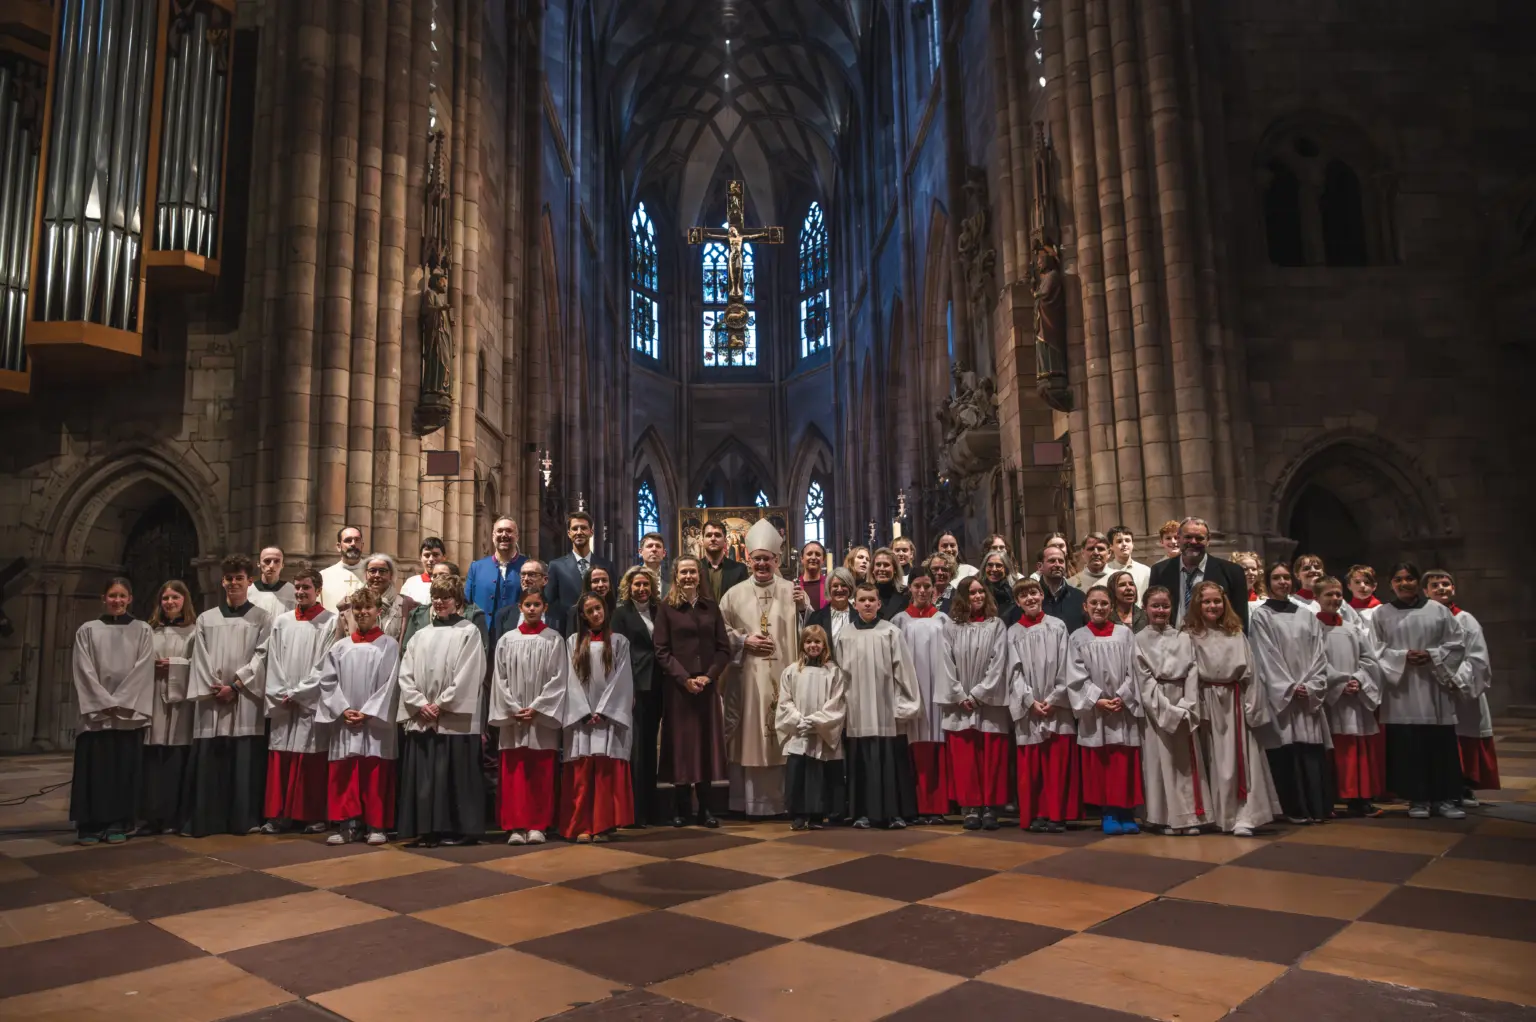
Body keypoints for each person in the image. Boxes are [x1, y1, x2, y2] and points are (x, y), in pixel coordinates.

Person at [239, 566, 335, 835]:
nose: (301, 592)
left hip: (309, 701)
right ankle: (279, 814)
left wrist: (301, 693)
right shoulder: (281, 621)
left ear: (318, 590)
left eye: (306, 587)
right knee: (281, 755)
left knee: (310, 757)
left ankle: (311, 815)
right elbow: (274, 662)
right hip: (283, 700)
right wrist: (282, 692)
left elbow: (325, 663)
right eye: (298, 587)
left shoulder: (330, 621)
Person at [395, 575, 488, 847]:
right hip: (424, 716)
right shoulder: (420, 635)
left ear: (457, 600)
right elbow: (406, 673)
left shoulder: (468, 631)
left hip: (452, 718)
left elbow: (470, 673)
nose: (439, 602)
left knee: (454, 775)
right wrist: (419, 704)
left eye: (446, 597)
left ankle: (456, 829)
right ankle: (426, 829)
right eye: (436, 596)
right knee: (425, 775)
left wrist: (442, 704)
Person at [185, 554, 274, 836]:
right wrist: (215, 686)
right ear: (222, 581)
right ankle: (207, 820)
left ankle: (243, 819)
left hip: (244, 698)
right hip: (213, 698)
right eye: (229, 578)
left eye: (239, 578)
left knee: (244, 761)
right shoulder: (206, 618)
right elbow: (199, 657)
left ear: (250, 581)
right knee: (211, 760)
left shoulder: (262, 618)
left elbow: (263, 654)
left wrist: (236, 685)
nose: (234, 583)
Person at [1185, 581, 1281, 837]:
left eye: (1217, 601)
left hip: (1234, 702)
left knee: (1239, 761)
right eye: (1206, 601)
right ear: (1197, 603)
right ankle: (1212, 815)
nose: (1212, 606)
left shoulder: (1236, 632)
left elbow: (1251, 672)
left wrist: (1252, 707)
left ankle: (1243, 816)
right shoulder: (1189, 634)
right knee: (1211, 759)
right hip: (1205, 700)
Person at [1373, 563, 1467, 820]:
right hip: (1402, 692)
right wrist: (1402, 657)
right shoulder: (1382, 613)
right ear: (1391, 583)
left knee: (1440, 745)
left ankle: (1445, 799)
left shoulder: (1437, 610)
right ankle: (1417, 800)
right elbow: (1374, 650)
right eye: (1398, 579)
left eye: (1409, 578)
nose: (1404, 583)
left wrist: (1432, 655)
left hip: (1433, 688)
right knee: (1408, 747)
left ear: (1417, 582)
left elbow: (1457, 644)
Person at [718, 519, 799, 817]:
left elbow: (810, 633)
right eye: (757, 559)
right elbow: (719, 633)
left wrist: (804, 612)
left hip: (784, 678)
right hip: (748, 680)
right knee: (749, 738)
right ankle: (747, 803)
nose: (762, 564)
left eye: (768, 559)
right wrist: (743, 640)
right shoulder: (733, 595)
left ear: (777, 560)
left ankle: (785, 801)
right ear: (748, 560)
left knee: (784, 735)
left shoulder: (793, 592)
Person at [70, 578, 155, 844]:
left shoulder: (142, 630)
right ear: (103, 598)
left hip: (127, 714)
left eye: (122, 596)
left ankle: (119, 822)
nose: (117, 601)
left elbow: (144, 668)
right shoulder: (87, 630)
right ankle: (90, 824)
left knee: (122, 769)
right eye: (112, 596)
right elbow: (82, 669)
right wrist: (104, 701)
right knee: (94, 769)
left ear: (130, 598)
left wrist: (122, 700)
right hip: (97, 714)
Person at [312, 587, 399, 845]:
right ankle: (346, 826)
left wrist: (369, 712)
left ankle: (376, 825)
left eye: (367, 608)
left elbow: (391, 684)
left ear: (378, 612)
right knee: (345, 772)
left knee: (375, 772)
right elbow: (327, 682)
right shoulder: (340, 647)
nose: (362, 613)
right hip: (346, 720)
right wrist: (342, 708)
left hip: (375, 723)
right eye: (357, 609)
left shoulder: (388, 645)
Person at [1250, 562, 1331, 825]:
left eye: (1286, 578)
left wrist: (1310, 685)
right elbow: (1265, 655)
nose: (1283, 582)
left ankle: (1317, 807)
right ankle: (1295, 808)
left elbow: (1320, 653)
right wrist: (1288, 687)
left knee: (1310, 749)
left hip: (1306, 693)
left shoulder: (1307, 614)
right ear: (1267, 582)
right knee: (1287, 750)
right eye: (1276, 578)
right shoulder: (1262, 616)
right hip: (1282, 696)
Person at [835, 581, 921, 828]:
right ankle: (862, 813)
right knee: (860, 762)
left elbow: (903, 670)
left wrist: (906, 703)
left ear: (879, 603)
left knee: (889, 760)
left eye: (872, 600)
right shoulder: (845, 634)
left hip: (885, 707)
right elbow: (840, 675)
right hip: (857, 708)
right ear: (855, 603)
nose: (867, 604)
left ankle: (893, 813)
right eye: (862, 600)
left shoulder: (890, 632)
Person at [653, 557, 731, 827]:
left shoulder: (711, 607)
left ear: (700, 576)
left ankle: (706, 809)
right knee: (681, 746)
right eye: (683, 572)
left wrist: (709, 677)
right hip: (679, 689)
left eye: (692, 572)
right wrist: (685, 678)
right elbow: (661, 650)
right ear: (676, 576)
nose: (688, 576)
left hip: (706, 688)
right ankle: (681, 808)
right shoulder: (667, 608)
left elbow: (724, 649)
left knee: (705, 745)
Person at [489, 587, 566, 845]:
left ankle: (538, 825)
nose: (532, 609)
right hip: (514, 718)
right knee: (515, 772)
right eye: (527, 605)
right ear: (520, 608)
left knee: (541, 773)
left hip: (540, 719)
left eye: (537, 605)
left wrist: (538, 707)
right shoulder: (506, 640)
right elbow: (499, 678)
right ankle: (515, 825)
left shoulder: (554, 639)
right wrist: (512, 707)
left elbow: (559, 678)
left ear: (545, 607)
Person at [558, 592, 636, 842]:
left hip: (607, 718)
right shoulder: (572, 642)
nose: (595, 614)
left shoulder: (619, 642)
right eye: (590, 610)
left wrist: (603, 710)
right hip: (581, 717)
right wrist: (582, 710)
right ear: (583, 615)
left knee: (605, 771)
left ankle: (603, 825)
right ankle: (581, 825)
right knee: (581, 772)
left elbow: (623, 679)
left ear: (605, 610)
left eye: (598, 608)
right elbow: (568, 677)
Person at [1067, 586, 1143, 835]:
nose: (1099, 608)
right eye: (1094, 603)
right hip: (1096, 711)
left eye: (1104, 603)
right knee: (1101, 763)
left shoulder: (1125, 634)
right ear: (1085, 607)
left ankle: (1126, 810)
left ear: (1111, 606)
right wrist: (1096, 699)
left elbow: (1136, 669)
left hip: (1122, 709)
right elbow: (1074, 675)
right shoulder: (1077, 637)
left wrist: (1123, 695)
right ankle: (1108, 811)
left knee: (1123, 761)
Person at [1423, 570, 1498, 805]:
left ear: (1453, 589)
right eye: (1435, 585)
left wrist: (1457, 679)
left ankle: (1465, 785)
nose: (1441, 588)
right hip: (1431, 688)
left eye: (1446, 584)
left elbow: (1478, 657)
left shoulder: (1466, 619)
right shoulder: (1422, 619)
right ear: (1425, 591)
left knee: (1464, 736)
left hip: (1461, 688)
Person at [1135, 587, 1205, 836]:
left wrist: (1187, 705)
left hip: (1183, 704)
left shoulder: (1183, 638)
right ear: (1145, 608)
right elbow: (1144, 680)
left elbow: (1193, 672)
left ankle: (1188, 818)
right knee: (1159, 762)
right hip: (1157, 707)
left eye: (1165, 606)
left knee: (1183, 763)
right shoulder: (1139, 640)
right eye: (1155, 606)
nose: (1160, 611)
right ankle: (1163, 818)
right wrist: (1166, 710)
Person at [1008, 579, 1077, 832]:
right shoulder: (1013, 632)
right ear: (1017, 602)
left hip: (1056, 706)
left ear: (1041, 595)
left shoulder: (1057, 626)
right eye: (1023, 596)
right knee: (1032, 767)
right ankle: (1036, 813)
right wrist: (1028, 701)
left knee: (1056, 764)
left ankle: (1056, 814)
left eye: (1034, 593)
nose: (1030, 599)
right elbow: (1013, 672)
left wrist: (1055, 698)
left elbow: (1067, 664)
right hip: (1030, 709)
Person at [890, 569, 958, 824]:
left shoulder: (943, 620)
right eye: (917, 586)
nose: (921, 591)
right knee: (911, 744)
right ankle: (915, 805)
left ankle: (938, 805)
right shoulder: (899, 621)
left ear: (934, 589)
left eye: (926, 586)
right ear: (910, 589)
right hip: (910, 691)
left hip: (937, 692)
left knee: (936, 743)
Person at [945, 575, 1011, 831]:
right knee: (966, 757)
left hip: (989, 703)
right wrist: (960, 695)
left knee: (991, 756)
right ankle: (970, 807)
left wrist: (978, 695)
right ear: (963, 596)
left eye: (981, 592)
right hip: (960, 704)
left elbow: (999, 663)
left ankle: (990, 807)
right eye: (972, 593)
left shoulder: (996, 625)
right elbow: (946, 662)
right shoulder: (951, 627)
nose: (978, 597)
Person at [1316, 576, 1384, 817]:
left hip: (1355, 696)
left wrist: (1359, 679)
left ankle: (1360, 799)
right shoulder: (1314, 629)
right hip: (1331, 699)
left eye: (1338, 595)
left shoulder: (1352, 628)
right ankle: (1334, 798)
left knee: (1358, 746)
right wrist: (1339, 683)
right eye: (1328, 595)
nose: (1334, 599)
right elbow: (1315, 662)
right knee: (1335, 748)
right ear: (1317, 598)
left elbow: (1370, 659)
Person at [776, 625, 847, 830]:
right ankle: (798, 815)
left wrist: (816, 721)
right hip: (799, 732)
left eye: (817, 641)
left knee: (820, 774)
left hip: (820, 732)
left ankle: (817, 815)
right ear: (802, 644)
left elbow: (837, 702)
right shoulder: (791, 671)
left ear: (824, 645)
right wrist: (798, 720)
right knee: (798, 773)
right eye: (808, 641)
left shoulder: (833, 671)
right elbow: (784, 701)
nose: (813, 645)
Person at [141, 581, 197, 835]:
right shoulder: (149, 631)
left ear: (185, 600)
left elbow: (199, 665)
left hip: (181, 703)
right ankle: (151, 816)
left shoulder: (195, 631)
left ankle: (174, 816)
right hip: (153, 697)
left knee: (176, 758)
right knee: (153, 758)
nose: (170, 602)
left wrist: (174, 664)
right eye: (165, 598)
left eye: (175, 597)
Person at [612, 567, 662, 825]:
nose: (641, 589)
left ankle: (652, 807)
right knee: (638, 749)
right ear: (628, 588)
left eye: (646, 585)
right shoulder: (621, 615)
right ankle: (636, 810)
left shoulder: (660, 610)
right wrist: (626, 687)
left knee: (651, 748)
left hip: (659, 684)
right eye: (636, 585)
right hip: (635, 685)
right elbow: (618, 653)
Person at [1148, 517, 1250, 632]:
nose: (1193, 542)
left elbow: (1240, 620)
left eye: (1199, 538)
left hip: (1215, 644)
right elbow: (1152, 613)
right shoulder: (1160, 571)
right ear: (1179, 539)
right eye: (1188, 537)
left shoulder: (1232, 572)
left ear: (1208, 541)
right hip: (1172, 644)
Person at [548, 512, 616, 635]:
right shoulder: (556, 566)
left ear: (591, 532)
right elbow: (551, 604)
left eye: (584, 528)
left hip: (602, 632)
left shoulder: (606, 566)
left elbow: (612, 601)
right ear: (569, 533)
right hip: (569, 631)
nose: (579, 532)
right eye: (574, 528)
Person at [403, 561, 489, 651]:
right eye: (434, 576)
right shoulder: (418, 615)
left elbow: (481, 651)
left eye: (443, 575)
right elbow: (407, 649)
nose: (437, 579)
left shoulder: (474, 615)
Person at [335, 553, 411, 645]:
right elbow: (338, 643)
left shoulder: (405, 605)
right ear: (366, 574)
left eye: (382, 571)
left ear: (391, 575)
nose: (377, 575)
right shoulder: (349, 605)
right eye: (372, 571)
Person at [464, 518, 527, 626]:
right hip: (483, 634)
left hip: (517, 634)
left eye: (509, 531)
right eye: (499, 531)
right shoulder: (476, 568)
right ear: (493, 536)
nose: (504, 535)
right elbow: (466, 604)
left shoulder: (528, 567)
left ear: (517, 536)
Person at [491, 560, 552, 643]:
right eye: (523, 574)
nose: (526, 579)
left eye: (532, 574)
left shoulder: (558, 615)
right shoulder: (504, 615)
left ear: (544, 580)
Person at [1037, 545, 1086, 632]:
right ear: (1040, 566)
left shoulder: (1079, 597)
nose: (1057, 565)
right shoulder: (1031, 599)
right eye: (1052, 561)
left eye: (1061, 561)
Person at [698, 520, 749, 600]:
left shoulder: (739, 569)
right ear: (702, 540)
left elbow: (744, 600)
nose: (713, 539)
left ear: (725, 540)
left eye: (717, 535)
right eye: (708, 535)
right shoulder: (695, 568)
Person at [320, 525, 367, 612]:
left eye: (357, 540)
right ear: (339, 546)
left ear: (362, 545)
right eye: (348, 540)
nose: (353, 544)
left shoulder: (373, 574)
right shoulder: (324, 576)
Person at [807, 567, 856, 647]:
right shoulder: (816, 618)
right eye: (835, 586)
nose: (839, 589)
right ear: (829, 589)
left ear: (850, 588)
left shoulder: (860, 617)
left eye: (844, 585)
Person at [1105, 526, 1152, 599]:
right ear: (1111, 546)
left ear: (1132, 544)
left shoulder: (1146, 571)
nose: (1124, 544)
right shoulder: (1105, 571)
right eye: (1119, 541)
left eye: (1127, 540)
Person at [400, 536, 446, 605]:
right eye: (427, 555)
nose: (431, 559)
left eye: (435, 555)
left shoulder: (451, 583)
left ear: (444, 557)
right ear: (421, 557)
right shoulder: (411, 584)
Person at [251, 547, 296, 616]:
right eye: (267, 561)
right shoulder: (249, 590)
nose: (272, 566)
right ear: (258, 563)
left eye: (277, 561)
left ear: (282, 565)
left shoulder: (291, 591)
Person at [794, 540, 829, 616]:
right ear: (802, 559)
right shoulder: (794, 586)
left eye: (818, 554)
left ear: (823, 560)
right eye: (809, 554)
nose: (813, 557)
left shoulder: (830, 584)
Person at [871, 547, 907, 619]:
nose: (881, 569)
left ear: (895, 569)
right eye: (878, 565)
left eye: (886, 565)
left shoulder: (906, 593)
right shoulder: (865, 594)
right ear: (872, 569)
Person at [980, 551, 1015, 616]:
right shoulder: (979, 591)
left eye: (999, 565)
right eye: (990, 565)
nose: (994, 569)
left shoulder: (1015, 590)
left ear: (1006, 568)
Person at [639, 532, 670, 598]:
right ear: (640, 552)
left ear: (664, 553)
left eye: (658, 546)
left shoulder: (673, 578)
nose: (654, 549)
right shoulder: (630, 577)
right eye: (650, 546)